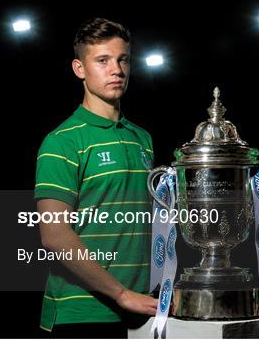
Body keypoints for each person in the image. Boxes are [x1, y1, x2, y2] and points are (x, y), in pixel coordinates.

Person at [34, 17, 157, 338]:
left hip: (144, 306)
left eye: (123, 59)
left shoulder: (142, 138)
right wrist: (119, 293)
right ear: (79, 69)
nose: (116, 69)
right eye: (102, 60)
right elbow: (54, 236)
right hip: (83, 312)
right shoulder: (62, 141)